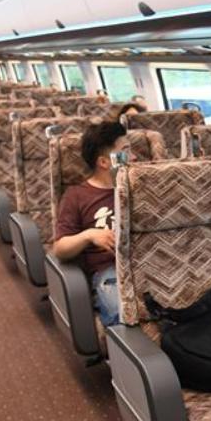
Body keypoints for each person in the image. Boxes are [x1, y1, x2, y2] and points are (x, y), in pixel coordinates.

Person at [52, 120, 127, 328]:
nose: (135, 157)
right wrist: (89, 235)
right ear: (104, 162)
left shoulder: (140, 187)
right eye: (126, 151)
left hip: (148, 266)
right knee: (121, 312)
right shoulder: (77, 196)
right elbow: (60, 248)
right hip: (111, 271)